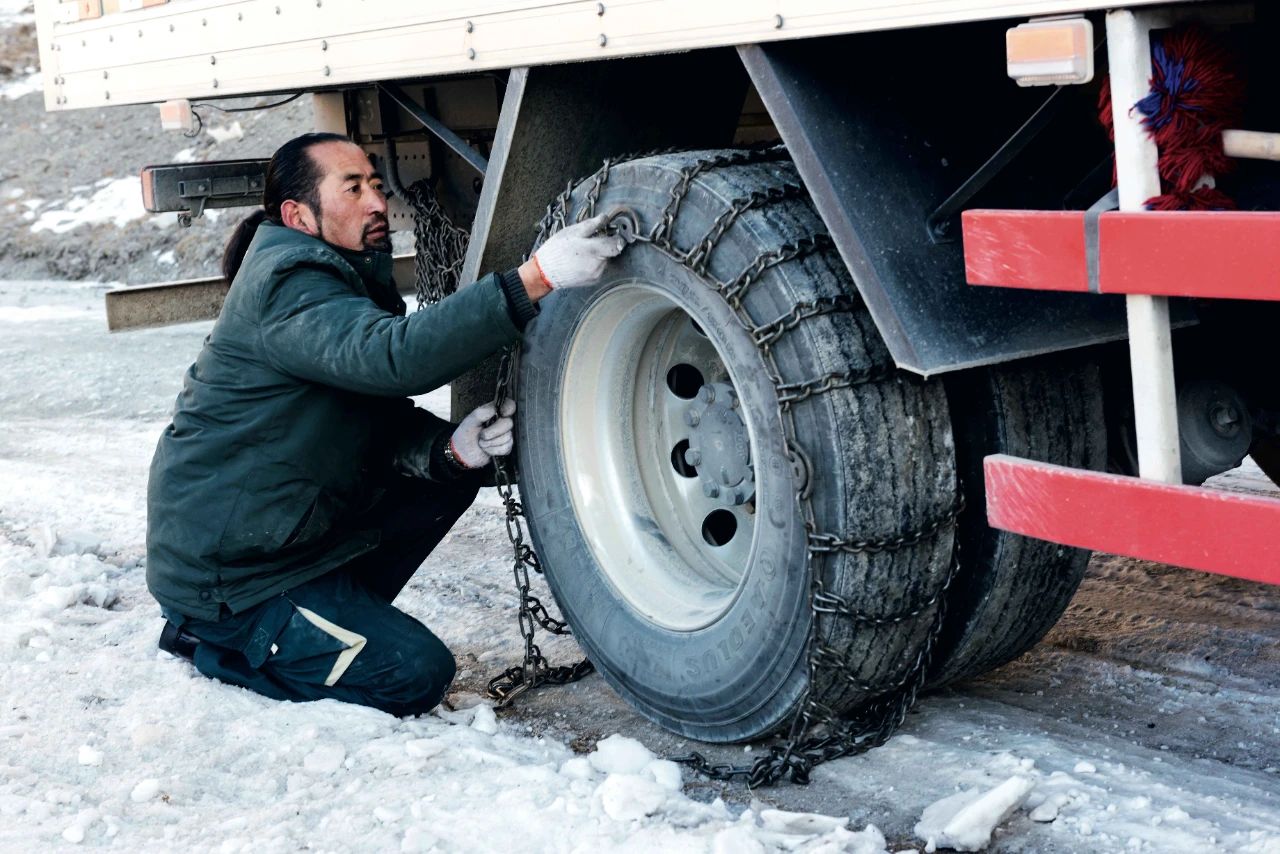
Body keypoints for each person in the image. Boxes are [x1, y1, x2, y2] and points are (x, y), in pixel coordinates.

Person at [146, 132, 623, 716]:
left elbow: (368, 413)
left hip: (286, 542)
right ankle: (218, 647)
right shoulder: (286, 281)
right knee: (414, 674)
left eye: (376, 183)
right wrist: (535, 279)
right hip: (234, 580)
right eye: (352, 188)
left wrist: (449, 450)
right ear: (298, 215)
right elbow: (392, 357)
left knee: (444, 478)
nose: (378, 201)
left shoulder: (339, 272)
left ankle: (331, 618)